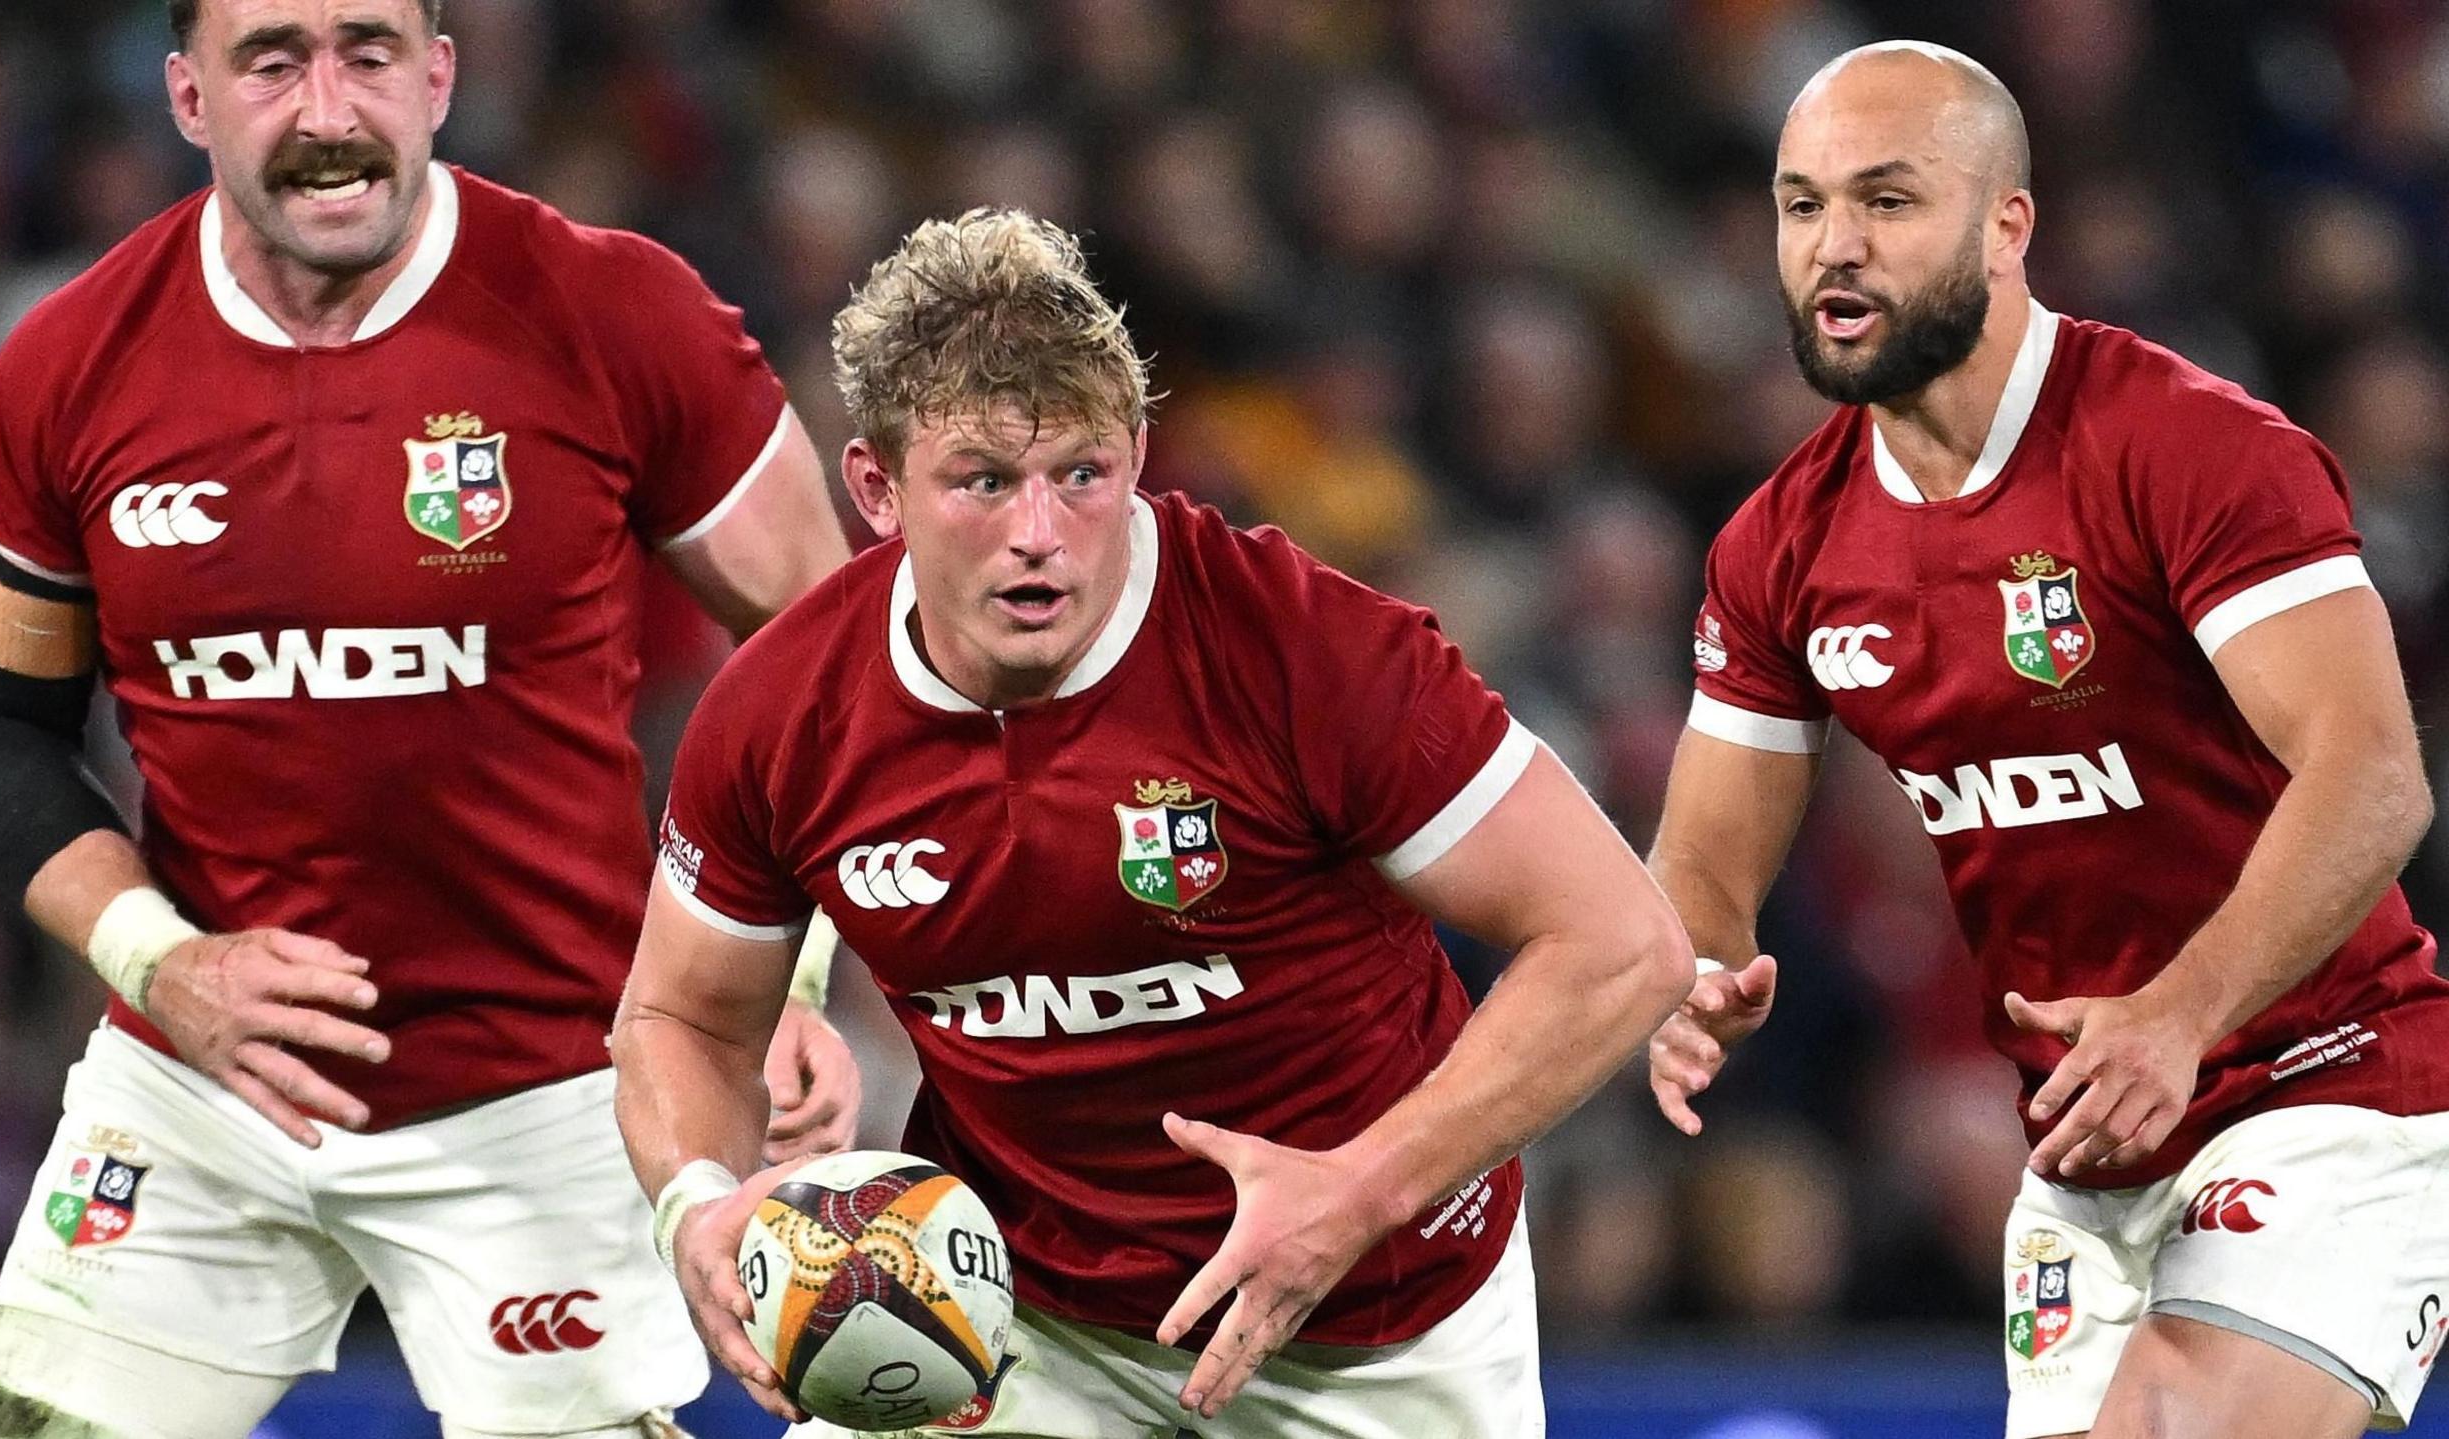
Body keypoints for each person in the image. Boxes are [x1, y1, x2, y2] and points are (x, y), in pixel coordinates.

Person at [0, 2, 865, 1435]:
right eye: (271, 60)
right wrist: (166, 965)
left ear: (439, 75)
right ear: (188, 96)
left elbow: (839, 663)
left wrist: (781, 994)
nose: (326, 111)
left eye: (367, 51)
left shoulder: (612, 313)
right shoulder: (72, 363)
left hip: (551, 1084)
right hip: (200, 1086)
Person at [613, 207, 1696, 1438]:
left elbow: (1624, 944)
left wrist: (1358, 1187)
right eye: (980, 480)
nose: (1040, 534)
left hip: (1366, 1327)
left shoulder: (1303, 650)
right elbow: (681, 1013)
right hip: (1016, 1320)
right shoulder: (783, 710)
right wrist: (696, 1201)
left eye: (1079, 472)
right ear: (875, 487)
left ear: (1136, 450)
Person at [1645, 40, 2449, 1439]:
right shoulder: (1780, 544)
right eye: (1800, 204)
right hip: (2088, 1146)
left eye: (1887, 201)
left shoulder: (2187, 447)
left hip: (2328, 1084)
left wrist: (2182, 1014)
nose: (1834, 246)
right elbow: (1704, 858)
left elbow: (2375, 773)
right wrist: (1692, 976)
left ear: (2007, 225)